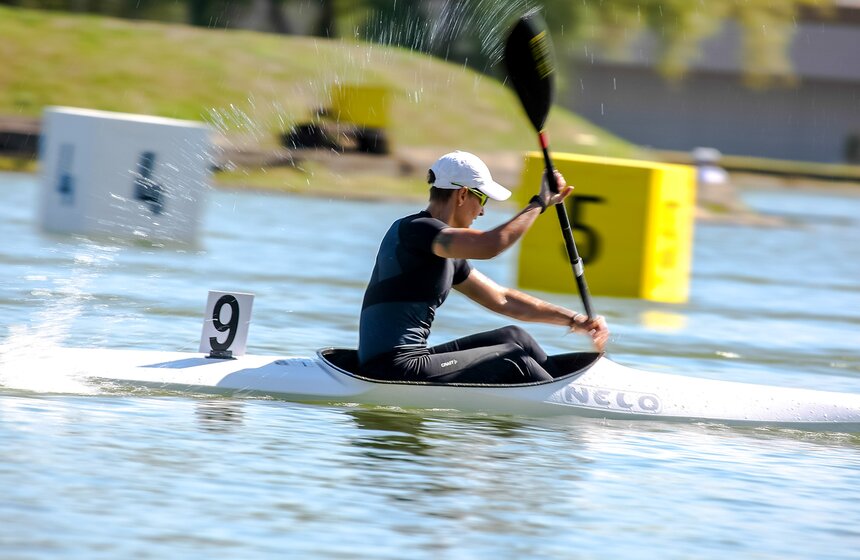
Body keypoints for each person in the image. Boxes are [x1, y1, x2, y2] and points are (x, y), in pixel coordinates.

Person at [358, 151, 609, 384]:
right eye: (483, 199)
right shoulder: (417, 230)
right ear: (462, 194)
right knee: (512, 358)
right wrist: (539, 203)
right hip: (393, 367)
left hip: (405, 362)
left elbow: (502, 299)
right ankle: (560, 399)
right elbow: (491, 244)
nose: (482, 212)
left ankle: (575, 385)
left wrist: (575, 320)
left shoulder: (444, 247)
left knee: (515, 337)